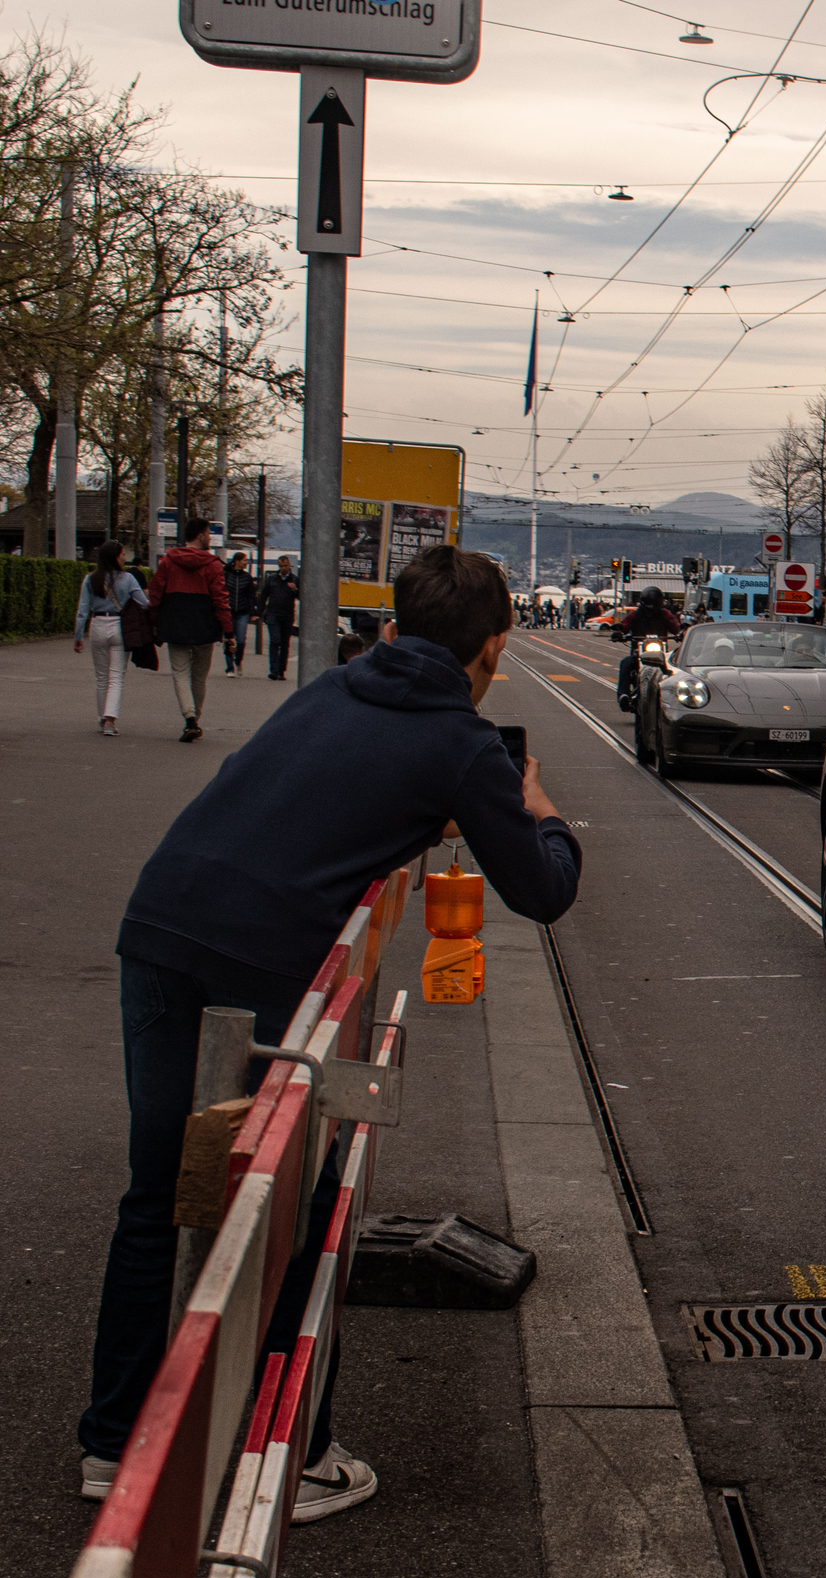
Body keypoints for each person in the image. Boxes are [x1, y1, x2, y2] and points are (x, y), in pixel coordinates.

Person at [83, 544, 579, 1523]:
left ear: (395, 623)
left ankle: (111, 1442)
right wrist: (540, 808)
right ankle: (291, 1455)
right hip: (265, 961)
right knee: (286, 1210)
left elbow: (303, 797)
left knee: (158, 1193)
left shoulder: (335, 687)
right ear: (494, 645)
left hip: (163, 923)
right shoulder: (463, 742)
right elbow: (543, 889)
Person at [150, 518, 233, 742]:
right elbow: (220, 600)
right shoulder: (213, 565)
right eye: (207, 533)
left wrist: (154, 622)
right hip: (204, 625)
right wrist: (229, 631)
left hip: (175, 623)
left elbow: (156, 593)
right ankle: (195, 719)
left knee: (179, 673)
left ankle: (189, 719)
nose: (209, 537)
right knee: (199, 677)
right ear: (199, 535)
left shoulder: (168, 562)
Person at [73, 544, 145, 736]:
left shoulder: (90, 579)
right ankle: (110, 721)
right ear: (114, 557)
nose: (124, 558)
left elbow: (82, 611)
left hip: (97, 624)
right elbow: (144, 604)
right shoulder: (128, 579)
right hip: (120, 625)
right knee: (116, 677)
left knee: (101, 676)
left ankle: (102, 718)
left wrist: (78, 637)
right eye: (122, 555)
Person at [262, 558, 299, 680]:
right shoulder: (272, 579)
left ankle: (282, 670)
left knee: (284, 643)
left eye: (285, 566)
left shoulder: (294, 580)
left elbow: (303, 596)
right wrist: (259, 612)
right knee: (275, 640)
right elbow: (264, 595)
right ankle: (274, 669)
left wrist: (295, 590)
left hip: (287, 615)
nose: (283, 568)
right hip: (273, 614)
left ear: (289, 565)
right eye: (281, 566)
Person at [221, 554, 255, 674]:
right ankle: (229, 667)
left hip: (242, 612)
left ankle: (238, 660)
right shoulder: (227, 575)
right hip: (228, 611)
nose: (246, 563)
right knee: (229, 640)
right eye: (244, 560)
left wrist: (252, 612)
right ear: (237, 561)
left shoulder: (247, 577)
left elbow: (251, 595)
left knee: (241, 641)